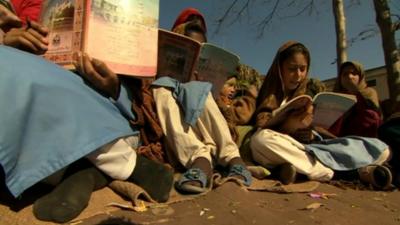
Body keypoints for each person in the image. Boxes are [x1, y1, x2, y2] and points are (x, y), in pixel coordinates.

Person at [0, 5, 173, 223]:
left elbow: (142, 95)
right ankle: (88, 168)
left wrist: (115, 86)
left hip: (105, 102)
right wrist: (6, 39)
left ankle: (94, 165)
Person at [249, 41, 392, 189]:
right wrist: (288, 126)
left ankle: (297, 169)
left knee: (380, 148)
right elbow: (258, 124)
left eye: (302, 69)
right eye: (292, 69)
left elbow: (321, 134)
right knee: (260, 140)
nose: (298, 75)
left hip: (315, 150)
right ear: (279, 69)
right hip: (285, 146)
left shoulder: (307, 96)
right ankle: (346, 173)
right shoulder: (263, 93)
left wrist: (311, 132)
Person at [149, 8, 252, 194]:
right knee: (162, 87)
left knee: (199, 89)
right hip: (184, 129)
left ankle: (234, 159)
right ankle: (200, 161)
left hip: (210, 129)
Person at [329, 61, 382, 138]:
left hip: (362, 140)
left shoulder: (368, 93)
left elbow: (372, 118)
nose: (349, 76)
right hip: (334, 139)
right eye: (345, 74)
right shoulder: (334, 97)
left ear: (360, 77)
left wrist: (355, 92)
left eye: (354, 73)